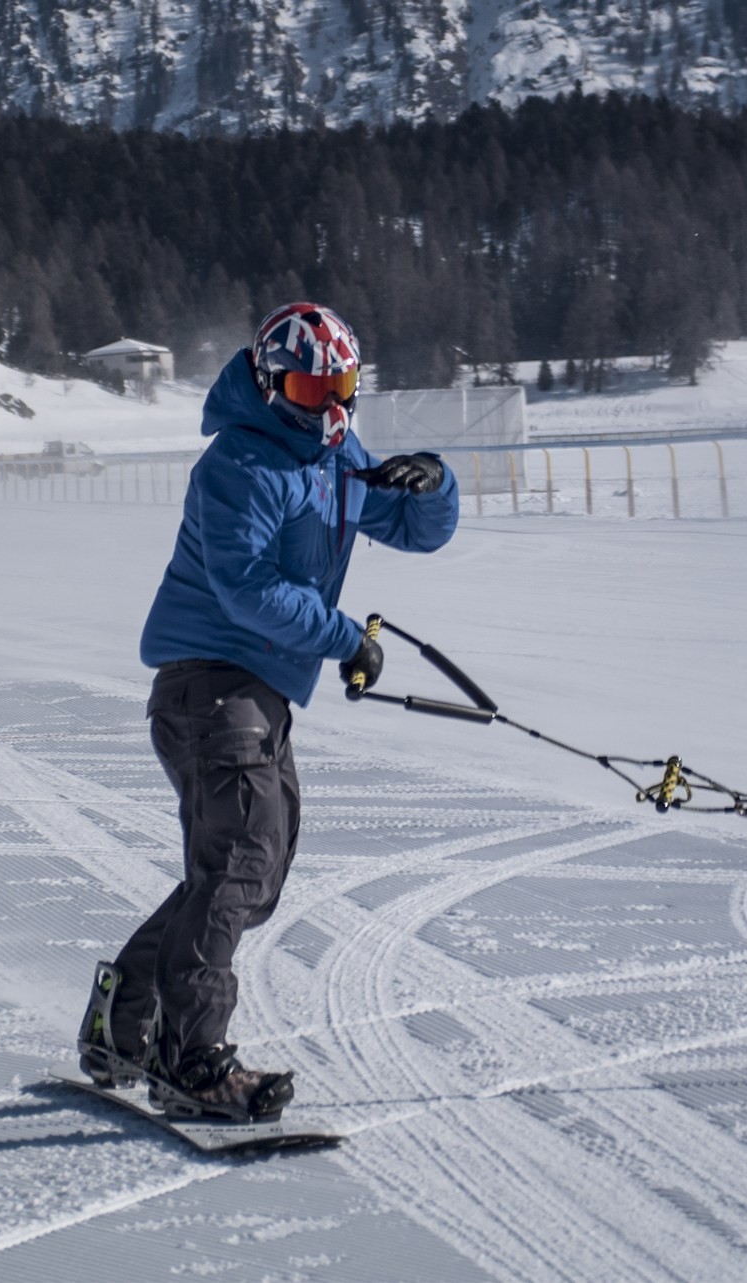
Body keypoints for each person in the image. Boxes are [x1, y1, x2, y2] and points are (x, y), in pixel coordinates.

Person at [78, 302, 459, 1120]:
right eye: (307, 385)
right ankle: (193, 1060)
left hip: (258, 695)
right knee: (241, 864)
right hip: (209, 685)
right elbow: (246, 590)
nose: (327, 405)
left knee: (252, 880)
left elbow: (415, 530)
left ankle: (122, 1018)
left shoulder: (338, 453)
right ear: (268, 382)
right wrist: (346, 639)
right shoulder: (240, 466)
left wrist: (432, 482)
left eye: (342, 386)